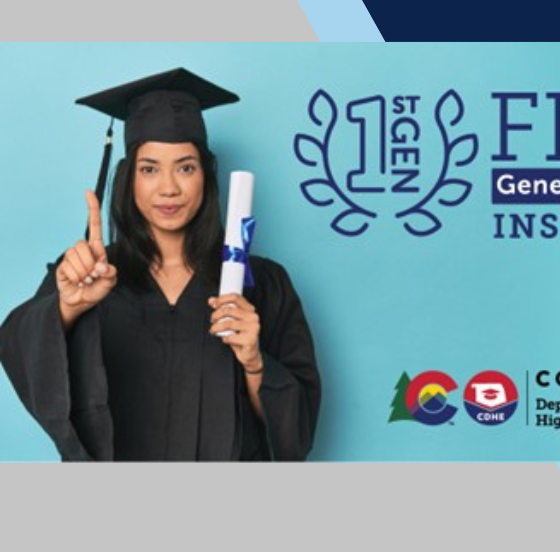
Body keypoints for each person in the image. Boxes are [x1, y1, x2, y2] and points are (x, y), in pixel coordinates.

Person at [0, 68, 322, 461]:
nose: (168, 187)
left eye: (185, 167)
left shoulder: (263, 284)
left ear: (206, 176)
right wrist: (68, 308)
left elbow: (295, 435)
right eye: (149, 168)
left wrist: (255, 361)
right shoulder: (86, 278)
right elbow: (18, 349)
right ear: (128, 178)